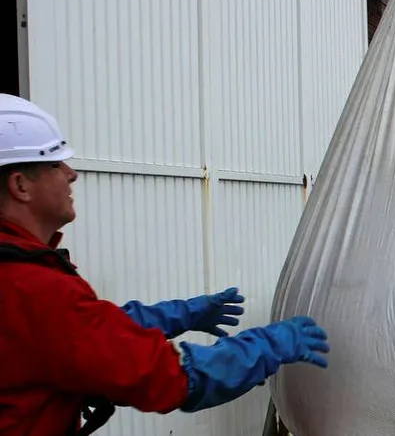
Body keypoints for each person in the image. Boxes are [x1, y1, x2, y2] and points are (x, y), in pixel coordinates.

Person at [0, 93, 330, 435]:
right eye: (55, 164)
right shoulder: (30, 288)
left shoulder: (20, 279)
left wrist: (180, 314)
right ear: (20, 185)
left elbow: (87, 333)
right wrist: (265, 347)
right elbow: (171, 377)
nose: (71, 174)